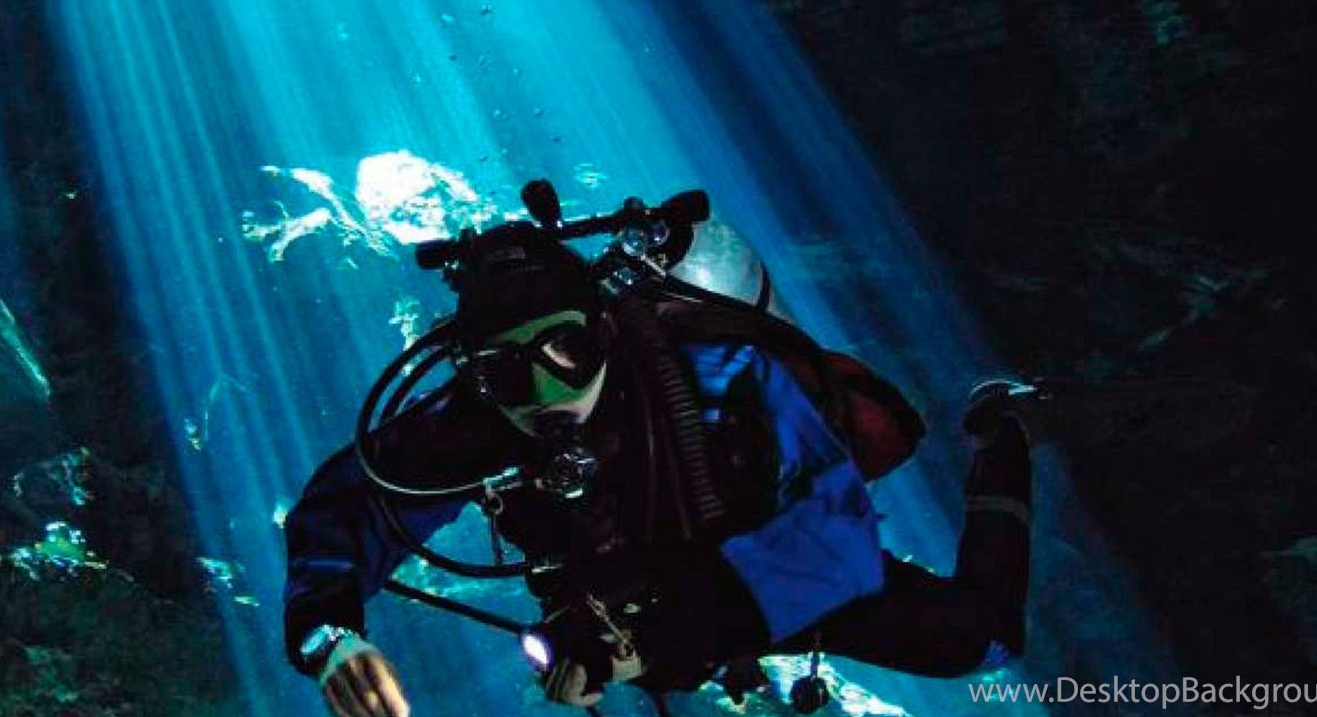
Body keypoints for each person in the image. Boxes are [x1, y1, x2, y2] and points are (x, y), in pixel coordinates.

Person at [281, 202, 1034, 716]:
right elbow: (346, 507)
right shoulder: (477, 420)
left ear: (603, 332)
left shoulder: (717, 372)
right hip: (621, 620)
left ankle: (1002, 433)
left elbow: (836, 540)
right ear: (477, 376)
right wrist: (329, 636)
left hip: (760, 578)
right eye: (506, 372)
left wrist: (644, 647)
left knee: (982, 642)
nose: (544, 392)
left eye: (567, 350)